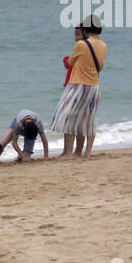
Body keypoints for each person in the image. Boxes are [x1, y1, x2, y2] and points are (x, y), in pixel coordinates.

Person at [50, 16, 107, 159]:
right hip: (94, 86)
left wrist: (66, 59)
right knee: (86, 120)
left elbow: (69, 62)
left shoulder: (82, 45)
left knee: (66, 116)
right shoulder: (103, 45)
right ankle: (83, 153)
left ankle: (69, 153)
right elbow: (100, 67)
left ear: (86, 29)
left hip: (78, 85)